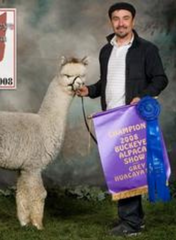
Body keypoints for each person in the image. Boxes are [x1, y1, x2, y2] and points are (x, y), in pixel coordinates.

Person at [77, 2, 168, 237]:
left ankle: (130, 223)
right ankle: (134, 220)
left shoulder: (147, 49)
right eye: (116, 18)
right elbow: (105, 83)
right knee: (121, 171)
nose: (121, 22)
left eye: (125, 18)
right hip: (111, 120)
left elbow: (160, 79)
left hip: (132, 117)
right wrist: (91, 90)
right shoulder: (106, 50)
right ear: (111, 22)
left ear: (133, 21)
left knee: (127, 170)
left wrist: (143, 96)